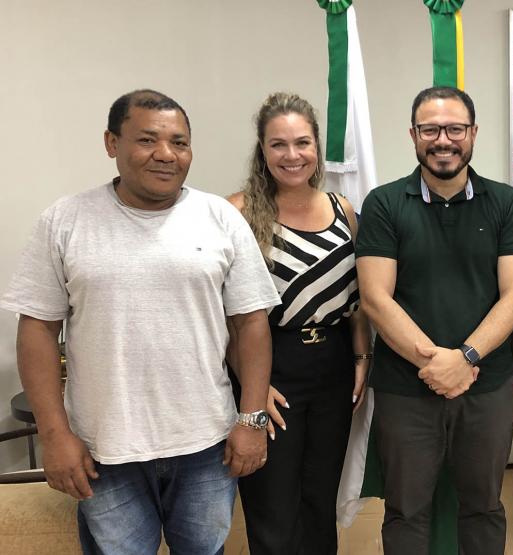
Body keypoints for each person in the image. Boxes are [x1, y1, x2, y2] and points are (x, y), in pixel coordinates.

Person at [0, 89, 280, 554]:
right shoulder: (65, 221)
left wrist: (250, 420)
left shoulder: (221, 219)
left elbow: (250, 323)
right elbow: (37, 330)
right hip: (104, 450)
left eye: (180, 142)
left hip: (206, 445)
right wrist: (54, 435)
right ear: (112, 143)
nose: (166, 154)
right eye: (147, 140)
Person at [355, 86, 513, 554]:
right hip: (405, 388)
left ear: (473, 133)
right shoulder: (384, 203)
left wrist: (467, 357)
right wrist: (437, 363)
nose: (443, 140)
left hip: (486, 385)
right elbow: (376, 297)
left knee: (483, 507)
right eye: (430, 129)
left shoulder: (506, 203)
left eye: (455, 128)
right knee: (406, 510)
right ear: (413, 135)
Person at [225, 92, 370, 554]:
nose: (292, 155)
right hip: (270, 364)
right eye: (278, 144)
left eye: (302, 143)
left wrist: (362, 356)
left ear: (316, 146)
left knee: (318, 497)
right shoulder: (237, 212)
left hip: (333, 366)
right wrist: (252, 382)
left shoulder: (344, 210)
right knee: (272, 501)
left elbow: (360, 299)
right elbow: (222, 313)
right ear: (262, 150)